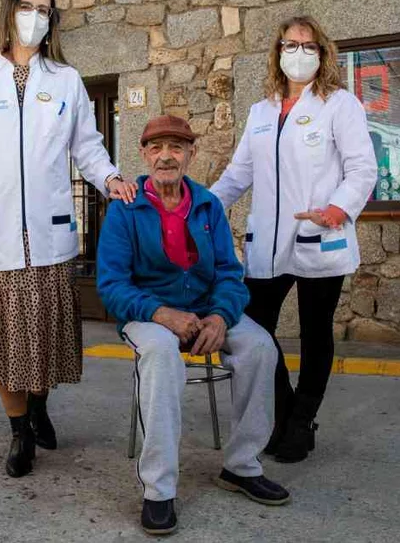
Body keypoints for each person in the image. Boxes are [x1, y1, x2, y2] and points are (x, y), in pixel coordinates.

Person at [0, 0, 137, 479]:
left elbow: (86, 146)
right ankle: (19, 431)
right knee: (4, 342)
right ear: (10, 11)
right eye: (27, 6)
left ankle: (40, 404)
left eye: (44, 10)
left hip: (44, 236)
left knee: (43, 337)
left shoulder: (65, 79)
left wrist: (110, 178)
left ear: (52, 23)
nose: (35, 16)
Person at [97, 115, 289, 536]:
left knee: (260, 347)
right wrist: (161, 313)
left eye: (177, 147)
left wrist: (221, 315)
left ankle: (242, 466)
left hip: (205, 308)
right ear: (145, 155)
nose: (166, 155)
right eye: (157, 148)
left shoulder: (208, 205)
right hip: (148, 314)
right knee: (163, 354)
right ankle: (158, 489)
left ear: (190, 154)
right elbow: (111, 285)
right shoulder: (124, 210)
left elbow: (228, 273)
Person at [211, 16, 377, 463]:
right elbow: (239, 173)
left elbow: (363, 168)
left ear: (321, 53)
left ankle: (302, 421)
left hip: (318, 234)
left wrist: (337, 210)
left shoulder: (339, 105)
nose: (298, 53)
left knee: (314, 332)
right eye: (290, 44)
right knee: (255, 326)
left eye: (308, 45)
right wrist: (202, 206)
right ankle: (282, 411)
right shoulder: (261, 111)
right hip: (267, 240)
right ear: (278, 51)